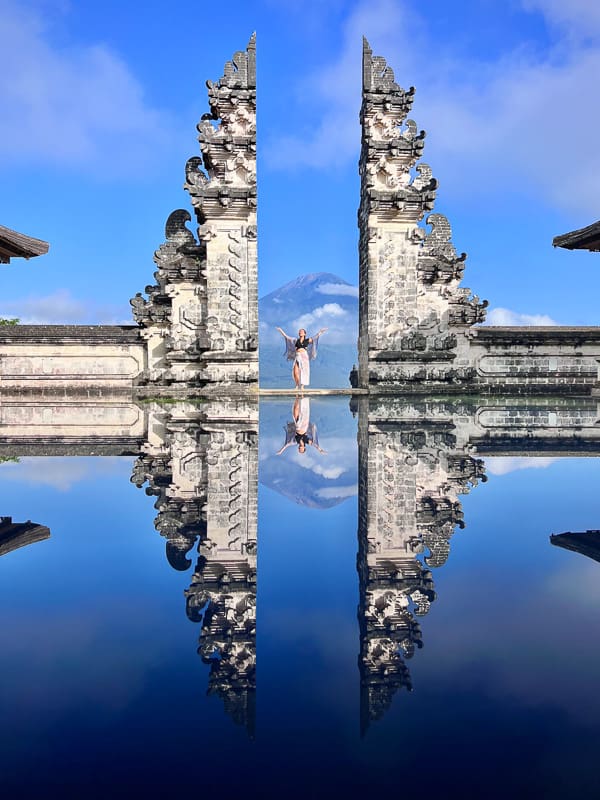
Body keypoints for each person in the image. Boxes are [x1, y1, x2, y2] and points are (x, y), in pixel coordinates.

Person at [275, 326, 328, 390]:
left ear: (304, 334)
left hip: (304, 356)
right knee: (295, 371)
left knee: (304, 371)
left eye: (302, 332)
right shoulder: (295, 340)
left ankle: (302, 386)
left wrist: (321, 331)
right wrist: (281, 331)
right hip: (297, 355)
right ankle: (297, 385)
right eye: (299, 332)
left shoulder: (307, 340)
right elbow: (286, 337)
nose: (300, 332)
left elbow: (315, 337)